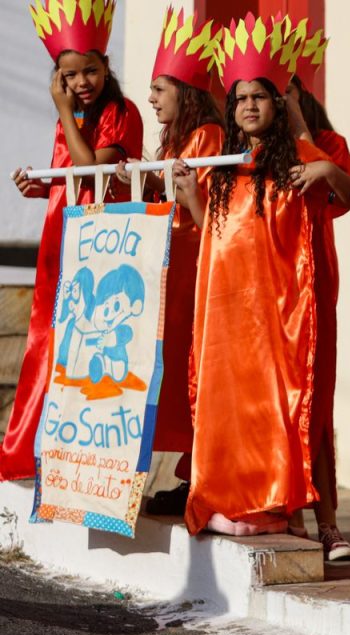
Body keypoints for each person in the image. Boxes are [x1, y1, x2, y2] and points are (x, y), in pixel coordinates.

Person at [182, 13, 350, 538]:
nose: (249, 106)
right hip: (229, 316)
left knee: (283, 410)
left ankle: (287, 508)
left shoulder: (302, 158)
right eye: (240, 99)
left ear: (279, 103)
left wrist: (328, 169)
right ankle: (238, 500)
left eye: (260, 96)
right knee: (234, 411)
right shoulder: (221, 166)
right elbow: (217, 238)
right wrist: (190, 196)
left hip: (280, 317)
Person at [4, 0, 143, 480]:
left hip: (99, 246)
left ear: (106, 66)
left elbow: (90, 171)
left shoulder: (121, 113)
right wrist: (39, 186)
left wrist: (64, 111)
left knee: (85, 346)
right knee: (46, 341)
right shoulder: (71, 119)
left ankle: (81, 458)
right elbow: (68, 180)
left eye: (90, 71)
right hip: (59, 240)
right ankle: (35, 450)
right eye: (70, 76)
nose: (82, 82)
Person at [110, 8, 223, 517]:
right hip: (173, 266)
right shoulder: (177, 138)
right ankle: (187, 471)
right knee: (174, 370)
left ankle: (200, 473)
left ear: (185, 91)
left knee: (193, 368)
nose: (152, 98)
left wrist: (158, 180)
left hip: (196, 264)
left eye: (159, 88)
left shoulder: (208, 136)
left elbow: (202, 204)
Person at [281, 18, 350, 563]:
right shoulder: (248, 149)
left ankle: (327, 522)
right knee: (274, 402)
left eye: (283, 90)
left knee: (317, 401)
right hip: (263, 291)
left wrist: (301, 134)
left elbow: (348, 199)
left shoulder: (327, 145)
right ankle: (284, 513)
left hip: (313, 287)